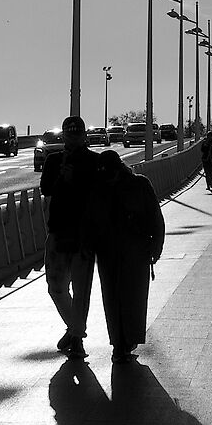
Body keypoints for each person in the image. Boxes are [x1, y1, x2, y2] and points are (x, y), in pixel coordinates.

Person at [90, 149, 166, 356]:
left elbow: (155, 218)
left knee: (132, 296)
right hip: (109, 251)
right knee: (114, 296)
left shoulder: (139, 184)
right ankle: (119, 343)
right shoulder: (100, 186)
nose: (110, 179)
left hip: (135, 250)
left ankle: (127, 340)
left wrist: (156, 248)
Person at [39, 115, 98, 356]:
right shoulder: (53, 161)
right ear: (64, 135)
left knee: (81, 289)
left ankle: (76, 338)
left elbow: (98, 193)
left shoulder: (94, 161)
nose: (73, 138)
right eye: (69, 134)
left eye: (77, 134)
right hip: (58, 231)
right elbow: (45, 188)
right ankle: (75, 330)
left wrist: (76, 181)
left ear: (84, 135)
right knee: (56, 286)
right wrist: (61, 178)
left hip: (84, 235)